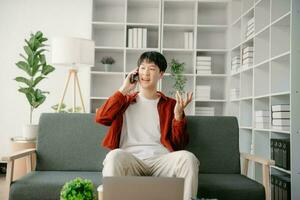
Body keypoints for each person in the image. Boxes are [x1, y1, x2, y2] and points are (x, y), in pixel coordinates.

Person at [95, 51, 200, 200]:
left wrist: (178, 116)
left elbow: (179, 145)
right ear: (137, 72)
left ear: (161, 74)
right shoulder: (124, 101)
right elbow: (101, 118)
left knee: (188, 158)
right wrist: (123, 89)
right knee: (114, 156)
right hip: (131, 160)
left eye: (151, 69)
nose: (145, 73)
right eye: (142, 68)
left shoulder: (170, 105)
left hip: (160, 160)